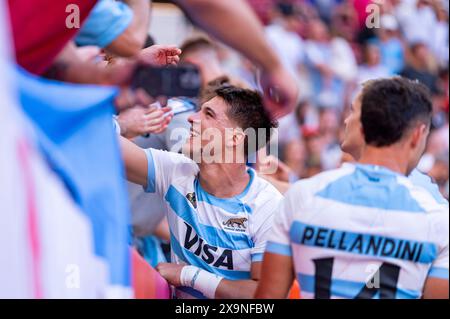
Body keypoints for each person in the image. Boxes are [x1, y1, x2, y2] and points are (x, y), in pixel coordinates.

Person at [256, 77, 448, 299]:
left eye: (352, 111)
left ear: (364, 125)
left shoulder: (303, 197)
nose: (346, 120)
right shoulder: (438, 218)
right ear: (417, 135)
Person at [120, 86, 283, 299]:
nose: (191, 118)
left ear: (235, 138)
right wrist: (120, 124)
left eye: (208, 114)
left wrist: (189, 275)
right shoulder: (176, 171)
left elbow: (266, 296)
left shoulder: (268, 206)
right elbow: (102, 143)